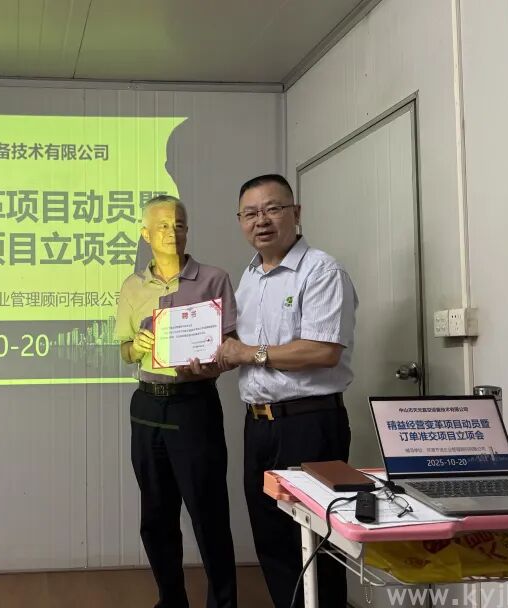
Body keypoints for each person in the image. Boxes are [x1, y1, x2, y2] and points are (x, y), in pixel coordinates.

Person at [217, 174, 358, 608]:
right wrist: (216, 354)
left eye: (272, 209)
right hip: (259, 426)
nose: (261, 220)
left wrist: (247, 353)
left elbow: (323, 351)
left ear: (296, 213)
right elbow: (240, 348)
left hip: (309, 424)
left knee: (317, 541)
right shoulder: (249, 278)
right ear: (240, 221)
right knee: (272, 538)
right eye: (250, 213)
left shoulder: (322, 270)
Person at [115, 195, 238, 608]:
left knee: (208, 513)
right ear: (145, 234)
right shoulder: (132, 287)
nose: (172, 232)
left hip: (194, 404)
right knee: (156, 515)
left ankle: (223, 603)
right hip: (147, 405)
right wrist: (136, 346)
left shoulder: (214, 279)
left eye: (179, 224)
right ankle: (171, 600)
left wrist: (209, 364)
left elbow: (230, 347)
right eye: (163, 225)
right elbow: (124, 351)